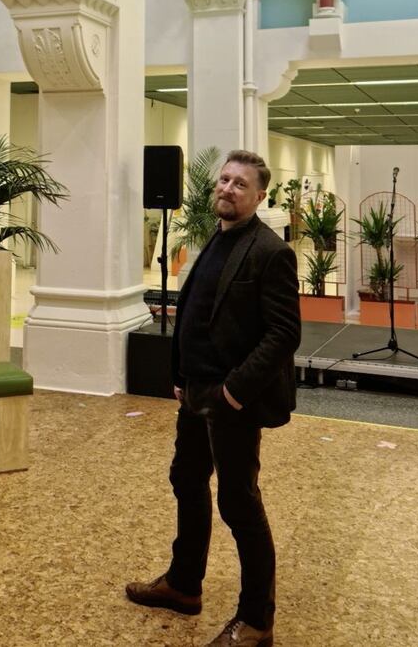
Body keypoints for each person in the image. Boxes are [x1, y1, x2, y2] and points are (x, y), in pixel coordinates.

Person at [126, 150, 301, 647]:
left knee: (239, 502)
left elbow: (284, 333)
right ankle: (184, 585)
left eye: (240, 184)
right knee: (186, 479)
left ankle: (257, 620)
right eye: (224, 180)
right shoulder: (216, 239)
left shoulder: (270, 252)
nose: (227, 188)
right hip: (195, 392)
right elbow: (197, 312)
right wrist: (180, 374)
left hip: (231, 400)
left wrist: (234, 391)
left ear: (259, 196)